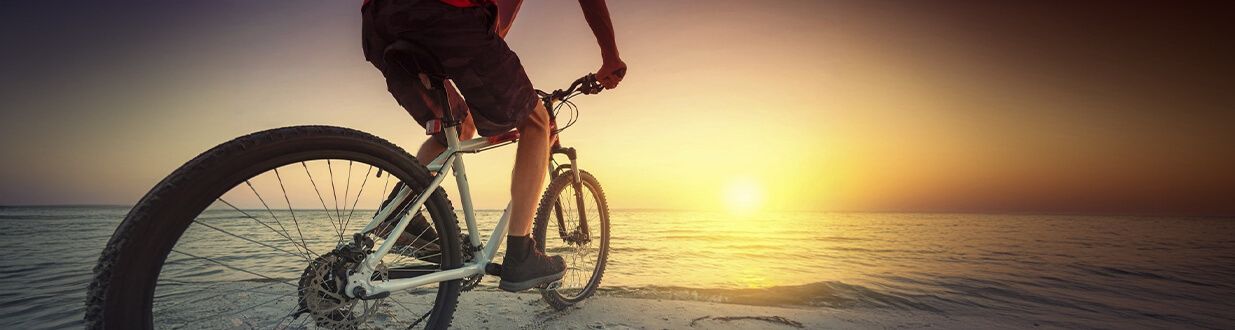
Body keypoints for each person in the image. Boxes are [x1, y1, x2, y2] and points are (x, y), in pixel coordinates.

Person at [360, 0, 626, 292]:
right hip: (443, 15)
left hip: (379, 21)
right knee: (536, 122)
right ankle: (521, 253)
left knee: (458, 127)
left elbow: (494, 32)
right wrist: (611, 57)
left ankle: (398, 213)